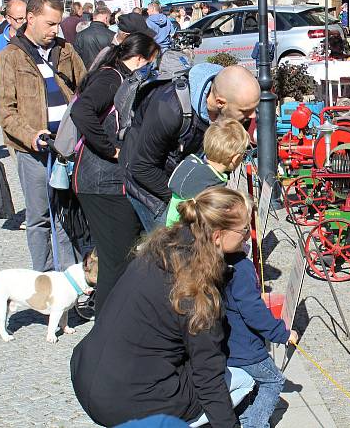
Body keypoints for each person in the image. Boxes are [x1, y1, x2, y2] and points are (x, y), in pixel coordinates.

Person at [70, 187, 258, 427]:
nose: (246, 237)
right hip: (130, 404)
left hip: (86, 373)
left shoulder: (159, 249)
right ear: (217, 236)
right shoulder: (196, 289)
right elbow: (208, 377)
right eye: (243, 231)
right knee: (244, 379)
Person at [0, 0, 86, 271]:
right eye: (49, 24)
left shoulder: (65, 49)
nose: (54, 30)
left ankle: (70, 279)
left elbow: (85, 87)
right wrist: (31, 135)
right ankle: (45, 278)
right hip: (34, 151)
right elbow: (5, 109)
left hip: (69, 147)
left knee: (67, 214)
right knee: (40, 217)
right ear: (30, 19)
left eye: (57, 24)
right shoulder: (10, 56)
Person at [71, 32, 159, 315]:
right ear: (138, 59)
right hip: (100, 182)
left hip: (107, 181)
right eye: (150, 63)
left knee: (122, 254)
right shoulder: (111, 78)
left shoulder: (118, 75)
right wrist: (110, 149)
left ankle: (118, 319)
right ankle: (107, 326)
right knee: (115, 260)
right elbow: (81, 111)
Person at [121, 64, 261, 232]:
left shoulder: (232, 106)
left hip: (188, 184)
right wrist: (189, 198)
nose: (253, 115)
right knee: (176, 251)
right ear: (220, 102)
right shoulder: (169, 109)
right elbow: (141, 166)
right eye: (246, 110)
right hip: (153, 187)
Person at [223, 217, 298, 428]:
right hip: (246, 347)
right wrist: (282, 334)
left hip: (228, 343)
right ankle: (255, 425)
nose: (248, 234)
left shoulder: (218, 261)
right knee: (274, 381)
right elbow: (253, 311)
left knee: (247, 383)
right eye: (245, 230)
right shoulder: (242, 268)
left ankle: (247, 419)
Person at [165, 118, 249, 227]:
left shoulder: (190, 164)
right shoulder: (214, 185)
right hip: (193, 236)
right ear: (236, 158)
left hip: (171, 228)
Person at [0, 0, 27, 140]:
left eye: (27, 17)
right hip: (10, 113)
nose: (25, 22)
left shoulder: (36, 41)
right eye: (19, 19)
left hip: (36, 111)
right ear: (8, 19)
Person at [87, 12, 156, 72]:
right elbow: (93, 78)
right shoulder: (108, 53)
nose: (146, 39)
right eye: (141, 36)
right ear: (126, 35)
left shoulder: (141, 49)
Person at [74, 5, 114, 70]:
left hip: (87, 74)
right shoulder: (112, 35)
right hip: (105, 74)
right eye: (109, 18)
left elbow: (76, 58)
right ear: (106, 18)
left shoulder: (80, 35)